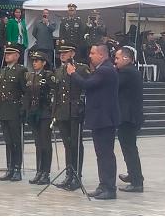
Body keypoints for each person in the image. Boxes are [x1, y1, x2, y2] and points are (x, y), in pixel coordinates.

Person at [67, 43, 119, 200]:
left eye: (92, 53)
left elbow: (87, 84)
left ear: (101, 55)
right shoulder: (103, 69)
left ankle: (110, 188)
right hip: (100, 118)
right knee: (101, 154)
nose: (90, 56)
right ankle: (103, 185)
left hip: (105, 118)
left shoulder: (105, 70)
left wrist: (73, 73)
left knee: (106, 154)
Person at [52, 41, 88, 191]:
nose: (62, 55)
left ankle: (77, 175)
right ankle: (69, 174)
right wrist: (54, 113)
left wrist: (83, 107)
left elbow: (87, 87)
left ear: (73, 53)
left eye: (66, 52)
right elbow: (56, 93)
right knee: (67, 145)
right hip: (62, 112)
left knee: (75, 144)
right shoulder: (58, 70)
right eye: (61, 52)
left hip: (75, 111)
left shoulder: (81, 68)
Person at [0, 42, 27, 182]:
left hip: (15, 109)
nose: (7, 55)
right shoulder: (3, 71)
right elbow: (0, 92)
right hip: (4, 109)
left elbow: (26, 92)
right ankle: (10, 168)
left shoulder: (21, 71)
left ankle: (17, 168)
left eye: (10, 53)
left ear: (17, 56)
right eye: (6, 53)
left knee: (16, 141)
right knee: (8, 141)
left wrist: (23, 109)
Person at [115, 46, 144, 193]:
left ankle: (137, 181)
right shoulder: (131, 70)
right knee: (129, 148)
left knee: (129, 149)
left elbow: (115, 85)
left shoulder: (126, 72)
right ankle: (133, 174)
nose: (115, 61)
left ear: (126, 58)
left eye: (117, 58)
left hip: (128, 117)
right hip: (131, 116)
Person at [25, 50, 55, 185]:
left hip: (44, 113)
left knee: (45, 144)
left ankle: (46, 172)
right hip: (34, 112)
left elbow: (54, 92)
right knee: (38, 144)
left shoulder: (48, 76)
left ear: (44, 63)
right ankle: (39, 171)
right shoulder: (30, 76)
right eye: (33, 61)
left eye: (37, 61)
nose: (35, 63)